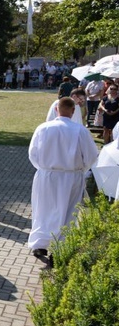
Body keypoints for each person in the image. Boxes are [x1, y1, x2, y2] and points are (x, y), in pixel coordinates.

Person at [28, 97, 99, 263]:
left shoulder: (43, 128)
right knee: (68, 213)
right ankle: (58, 249)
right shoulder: (80, 131)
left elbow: (33, 153)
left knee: (43, 210)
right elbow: (91, 155)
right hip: (71, 176)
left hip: (46, 175)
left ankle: (40, 244)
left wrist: (44, 167)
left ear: (56, 110)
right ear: (73, 111)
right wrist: (80, 169)